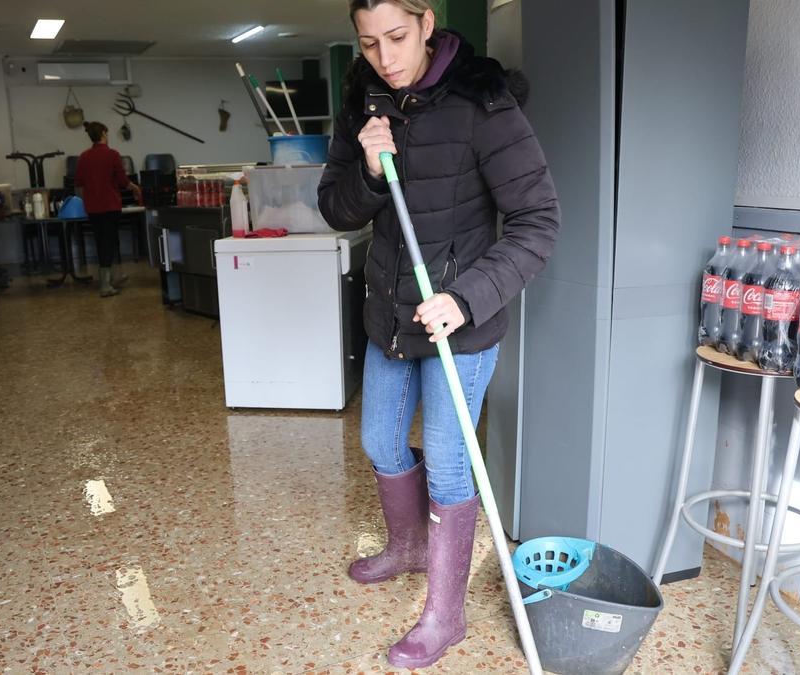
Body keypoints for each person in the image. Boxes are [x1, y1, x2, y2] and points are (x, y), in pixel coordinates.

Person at [318, 0, 560, 668]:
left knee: (451, 462)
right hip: (389, 316)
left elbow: (538, 220)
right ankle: (408, 547)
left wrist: (466, 297)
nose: (385, 58)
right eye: (369, 43)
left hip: (459, 323)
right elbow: (336, 208)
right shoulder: (363, 102)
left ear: (427, 24)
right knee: (380, 440)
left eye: (397, 37)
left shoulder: (484, 103)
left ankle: (445, 614)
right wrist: (369, 171)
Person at [75, 121, 141, 297]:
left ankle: (108, 279)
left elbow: (79, 182)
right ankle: (105, 285)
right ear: (104, 133)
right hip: (110, 205)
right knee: (109, 242)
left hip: (92, 206)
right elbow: (122, 181)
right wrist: (134, 187)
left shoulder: (84, 157)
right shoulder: (112, 154)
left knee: (100, 241)